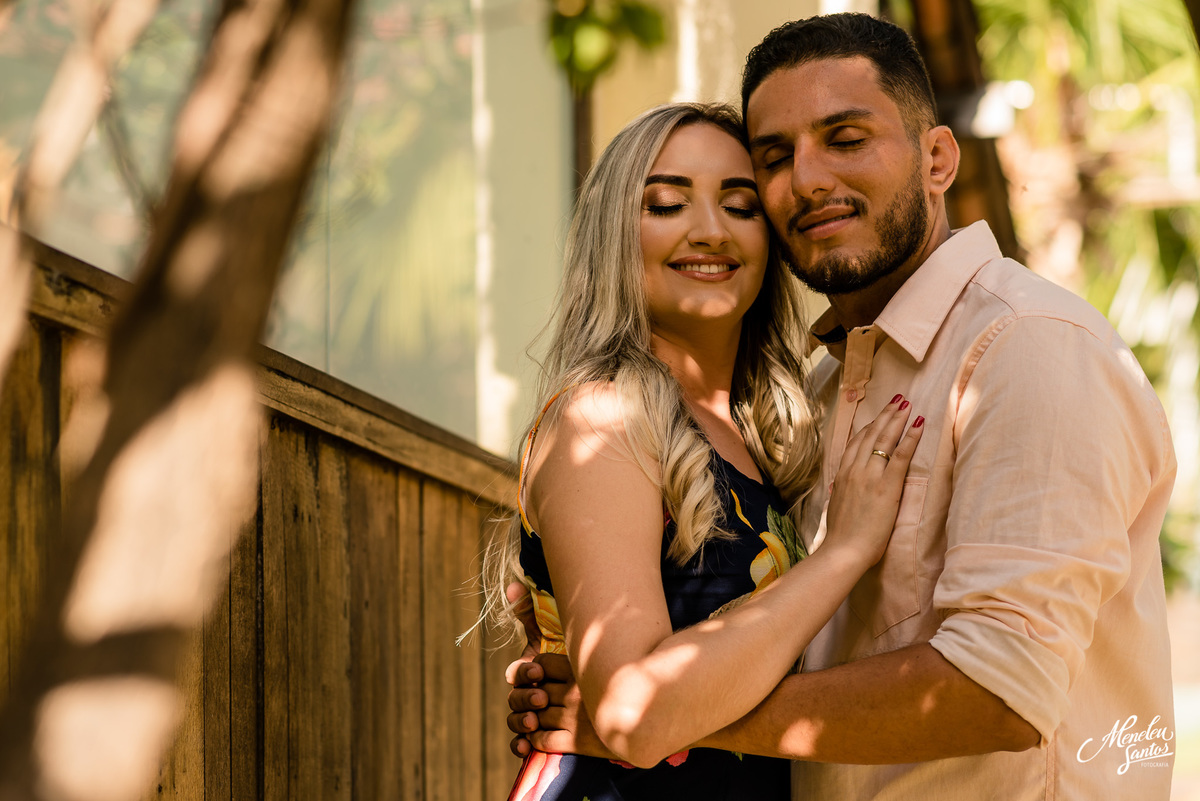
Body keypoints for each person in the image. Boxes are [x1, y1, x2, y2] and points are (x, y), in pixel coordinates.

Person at [507, 13, 1177, 801]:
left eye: (846, 139)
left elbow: (998, 688)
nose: (809, 179)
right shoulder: (816, 399)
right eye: (775, 158)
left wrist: (659, 714)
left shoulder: (1026, 346)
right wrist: (630, 695)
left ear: (938, 159)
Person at [483, 101, 924, 800]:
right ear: (613, 235)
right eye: (666, 204)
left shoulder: (764, 436)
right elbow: (636, 716)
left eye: (740, 206)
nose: (711, 231)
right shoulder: (604, 418)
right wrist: (844, 551)